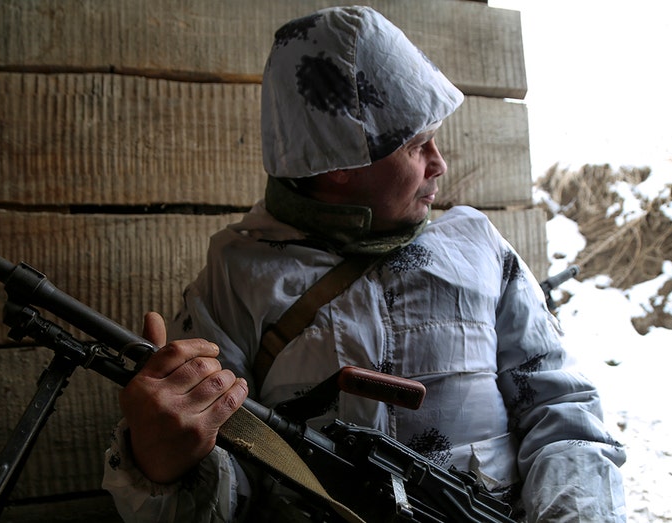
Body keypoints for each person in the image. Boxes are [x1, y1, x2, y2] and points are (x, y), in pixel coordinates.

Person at [103, 6, 626, 522]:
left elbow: (563, 414)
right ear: (340, 163)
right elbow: (229, 488)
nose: (439, 163)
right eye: (417, 144)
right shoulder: (239, 274)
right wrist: (163, 461)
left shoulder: (477, 247)